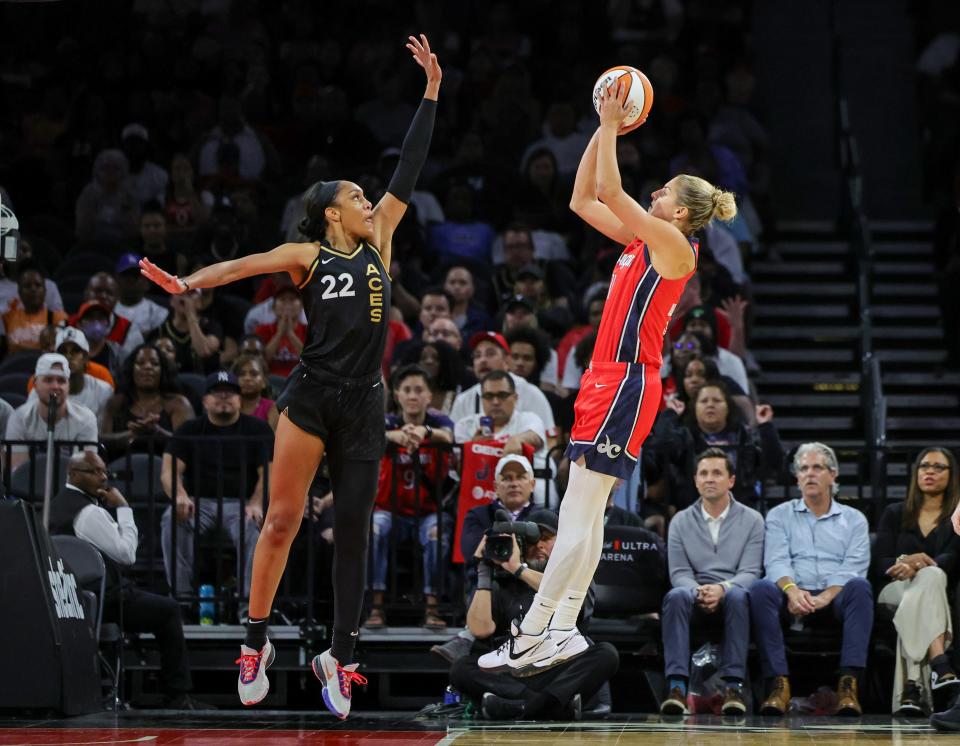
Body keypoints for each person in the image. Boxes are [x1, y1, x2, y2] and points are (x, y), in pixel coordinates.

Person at [139, 34, 441, 719]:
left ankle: (343, 655)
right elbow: (243, 266)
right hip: (310, 397)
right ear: (332, 212)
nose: (371, 200)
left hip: (365, 402)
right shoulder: (308, 254)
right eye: (357, 196)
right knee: (279, 521)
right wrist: (187, 280)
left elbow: (410, 170)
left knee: (356, 529)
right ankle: (254, 642)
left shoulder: (383, 240)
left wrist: (431, 93)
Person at [482, 81, 738, 674]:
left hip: (627, 382)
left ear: (681, 213)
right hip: (606, 380)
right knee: (588, 513)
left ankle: (536, 629)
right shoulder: (644, 238)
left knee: (577, 510)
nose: (655, 193)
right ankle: (565, 625)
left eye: (666, 191)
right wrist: (605, 130)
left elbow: (613, 189)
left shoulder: (674, 245)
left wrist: (609, 124)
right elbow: (582, 198)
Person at [49, 451, 205, 709]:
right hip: (104, 599)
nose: (103, 477)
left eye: (104, 471)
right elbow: (126, 555)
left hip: (71, 599)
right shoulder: (88, 513)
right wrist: (124, 508)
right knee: (168, 611)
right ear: (73, 474)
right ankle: (177, 696)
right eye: (94, 471)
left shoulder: (56, 505)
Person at [451, 507, 619, 720]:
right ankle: (548, 707)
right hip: (514, 673)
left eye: (547, 538)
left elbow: (568, 600)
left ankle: (517, 708)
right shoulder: (502, 581)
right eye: (532, 539)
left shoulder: (577, 576)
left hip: (559, 668)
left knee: (606, 654)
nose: (539, 544)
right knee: (461, 668)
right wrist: (484, 572)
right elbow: (480, 630)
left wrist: (519, 570)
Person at [748, 442, 873, 717]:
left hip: (835, 597)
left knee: (861, 588)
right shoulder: (780, 515)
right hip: (793, 596)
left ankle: (848, 686)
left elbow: (854, 566)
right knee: (760, 590)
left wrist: (825, 596)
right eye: (803, 468)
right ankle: (778, 684)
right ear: (796, 477)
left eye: (817, 468)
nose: (809, 474)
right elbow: (776, 560)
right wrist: (792, 592)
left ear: (833, 474)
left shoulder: (854, 520)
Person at [659, 448, 764, 717]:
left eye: (717, 473)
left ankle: (733, 687)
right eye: (703, 473)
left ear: (731, 480)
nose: (709, 479)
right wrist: (699, 591)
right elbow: (679, 572)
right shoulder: (680, 520)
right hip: (694, 596)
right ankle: (677, 687)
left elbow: (751, 572)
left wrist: (722, 589)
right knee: (675, 595)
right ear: (695, 480)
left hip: (732, 597)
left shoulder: (752, 520)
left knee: (739, 595)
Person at [159, 371, 273, 602]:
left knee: (255, 525)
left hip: (241, 505)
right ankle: (182, 600)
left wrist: (256, 503)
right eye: (216, 393)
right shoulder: (189, 429)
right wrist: (180, 496)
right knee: (172, 519)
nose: (224, 397)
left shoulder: (258, 430)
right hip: (199, 503)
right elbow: (168, 471)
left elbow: (269, 472)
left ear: (240, 400)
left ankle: (250, 605)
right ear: (205, 401)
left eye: (230, 393)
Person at [368, 365, 454, 630]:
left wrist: (424, 433)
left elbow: (448, 436)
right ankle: (376, 607)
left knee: (437, 535)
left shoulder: (439, 421)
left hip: (427, 511)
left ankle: (432, 608)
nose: (413, 395)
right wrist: (396, 436)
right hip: (390, 509)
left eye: (419, 390)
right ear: (397, 395)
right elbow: (369, 438)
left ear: (430, 396)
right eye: (407, 390)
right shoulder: (387, 422)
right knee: (375, 529)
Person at [875, 447, 960, 715]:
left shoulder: (956, 516)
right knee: (922, 588)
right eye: (924, 466)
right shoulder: (894, 512)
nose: (930, 472)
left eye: (938, 467)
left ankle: (911, 690)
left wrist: (922, 565)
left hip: (933, 592)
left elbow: (954, 557)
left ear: (952, 474)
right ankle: (940, 664)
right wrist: (905, 561)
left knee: (924, 589)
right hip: (892, 591)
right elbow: (880, 562)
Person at [454, 371, 548, 502]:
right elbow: (458, 471)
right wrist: (472, 450)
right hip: (479, 495)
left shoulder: (528, 418)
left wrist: (517, 440)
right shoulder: (465, 425)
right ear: (482, 399)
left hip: (528, 496)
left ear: (515, 397)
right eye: (489, 396)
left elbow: (535, 438)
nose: (495, 402)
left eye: (502, 395)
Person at [5, 353, 99, 471]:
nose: (55, 386)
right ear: (35, 384)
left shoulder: (86, 419)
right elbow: (19, 473)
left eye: (61, 381)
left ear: (68, 386)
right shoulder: (19, 418)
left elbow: (85, 473)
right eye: (48, 380)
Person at [100, 343, 195, 456]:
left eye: (154, 363)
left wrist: (157, 431)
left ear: (162, 370)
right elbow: (102, 440)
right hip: (122, 469)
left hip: (168, 470)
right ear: (131, 369)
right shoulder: (116, 402)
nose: (148, 367)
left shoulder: (178, 403)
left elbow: (189, 443)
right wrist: (132, 434)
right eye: (140, 363)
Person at [28, 327, 113, 418]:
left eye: (75, 351)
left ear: (85, 357)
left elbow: (104, 431)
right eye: (63, 351)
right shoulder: (40, 391)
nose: (68, 356)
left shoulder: (102, 391)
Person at [1, 261, 67, 355]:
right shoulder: (7, 317)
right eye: (27, 286)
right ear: (19, 292)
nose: (33, 289)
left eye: (38, 285)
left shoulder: (57, 317)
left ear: (45, 290)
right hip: (15, 367)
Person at [254, 284, 306, 378]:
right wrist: (279, 334)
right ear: (274, 307)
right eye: (282, 299)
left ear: (301, 305)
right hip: (271, 382)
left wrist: (291, 335)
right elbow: (261, 362)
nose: (287, 303)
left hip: (301, 380)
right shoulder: (262, 330)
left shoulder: (308, 330)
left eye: (292, 299)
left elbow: (310, 360)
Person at [114, 252, 169, 337]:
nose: (130, 280)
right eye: (126, 275)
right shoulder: (108, 310)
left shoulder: (158, 313)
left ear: (146, 282)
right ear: (116, 280)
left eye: (135, 275)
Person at [232, 353, 279, 429]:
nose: (247, 378)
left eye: (254, 374)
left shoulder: (272, 408)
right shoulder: (229, 406)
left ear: (264, 381)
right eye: (242, 374)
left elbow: (271, 439)